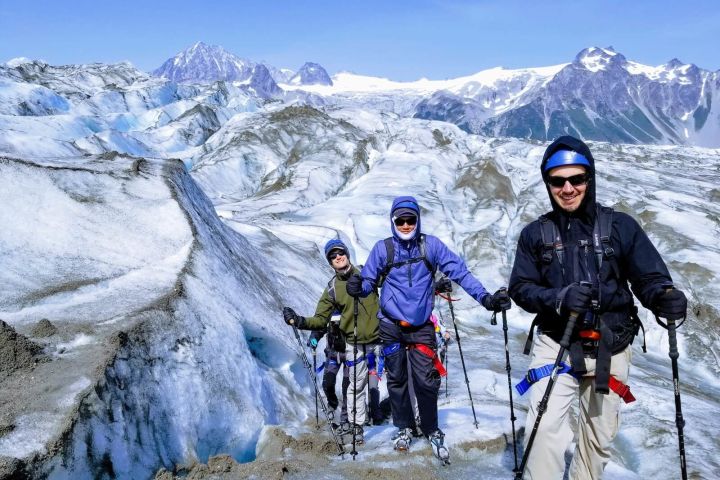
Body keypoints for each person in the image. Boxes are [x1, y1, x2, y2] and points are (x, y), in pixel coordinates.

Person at [508, 136, 688, 479]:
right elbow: (521, 287)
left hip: (612, 343)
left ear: (589, 179)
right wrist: (558, 299)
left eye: (576, 179)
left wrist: (663, 295)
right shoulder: (535, 234)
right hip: (557, 341)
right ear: (548, 183)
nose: (568, 188)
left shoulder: (620, 227)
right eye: (558, 181)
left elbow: (648, 276)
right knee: (544, 430)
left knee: (598, 440)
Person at [346, 196, 510, 462]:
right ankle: (404, 428)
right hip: (390, 325)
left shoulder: (430, 246)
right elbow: (368, 282)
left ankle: (431, 427)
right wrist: (358, 287)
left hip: (421, 325)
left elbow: (460, 273)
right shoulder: (383, 249)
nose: (406, 224)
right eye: (401, 220)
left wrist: (486, 298)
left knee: (426, 380)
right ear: (393, 221)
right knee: (397, 380)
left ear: (418, 220)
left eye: (411, 219)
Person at [283, 239, 382, 444]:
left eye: (340, 253)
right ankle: (357, 427)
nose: (338, 257)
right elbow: (320, 319)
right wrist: (298, 321)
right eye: (332, 256)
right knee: (356, 386)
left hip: (380, 340)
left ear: (346, 253)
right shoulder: (332, 289)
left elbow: (393, 282)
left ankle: (405, 423)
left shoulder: (368, 273)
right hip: (353, 343)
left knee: (385, 382)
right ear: (330, 263)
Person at [307, 316, 349, 429]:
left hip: (350, 356)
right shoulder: (329, 316)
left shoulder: (350, 314)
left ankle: (345, 419)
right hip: (333, 355)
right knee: (327, 384)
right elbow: (319, 328)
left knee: (347, 388)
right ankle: (332, 403)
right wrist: (313, 338)